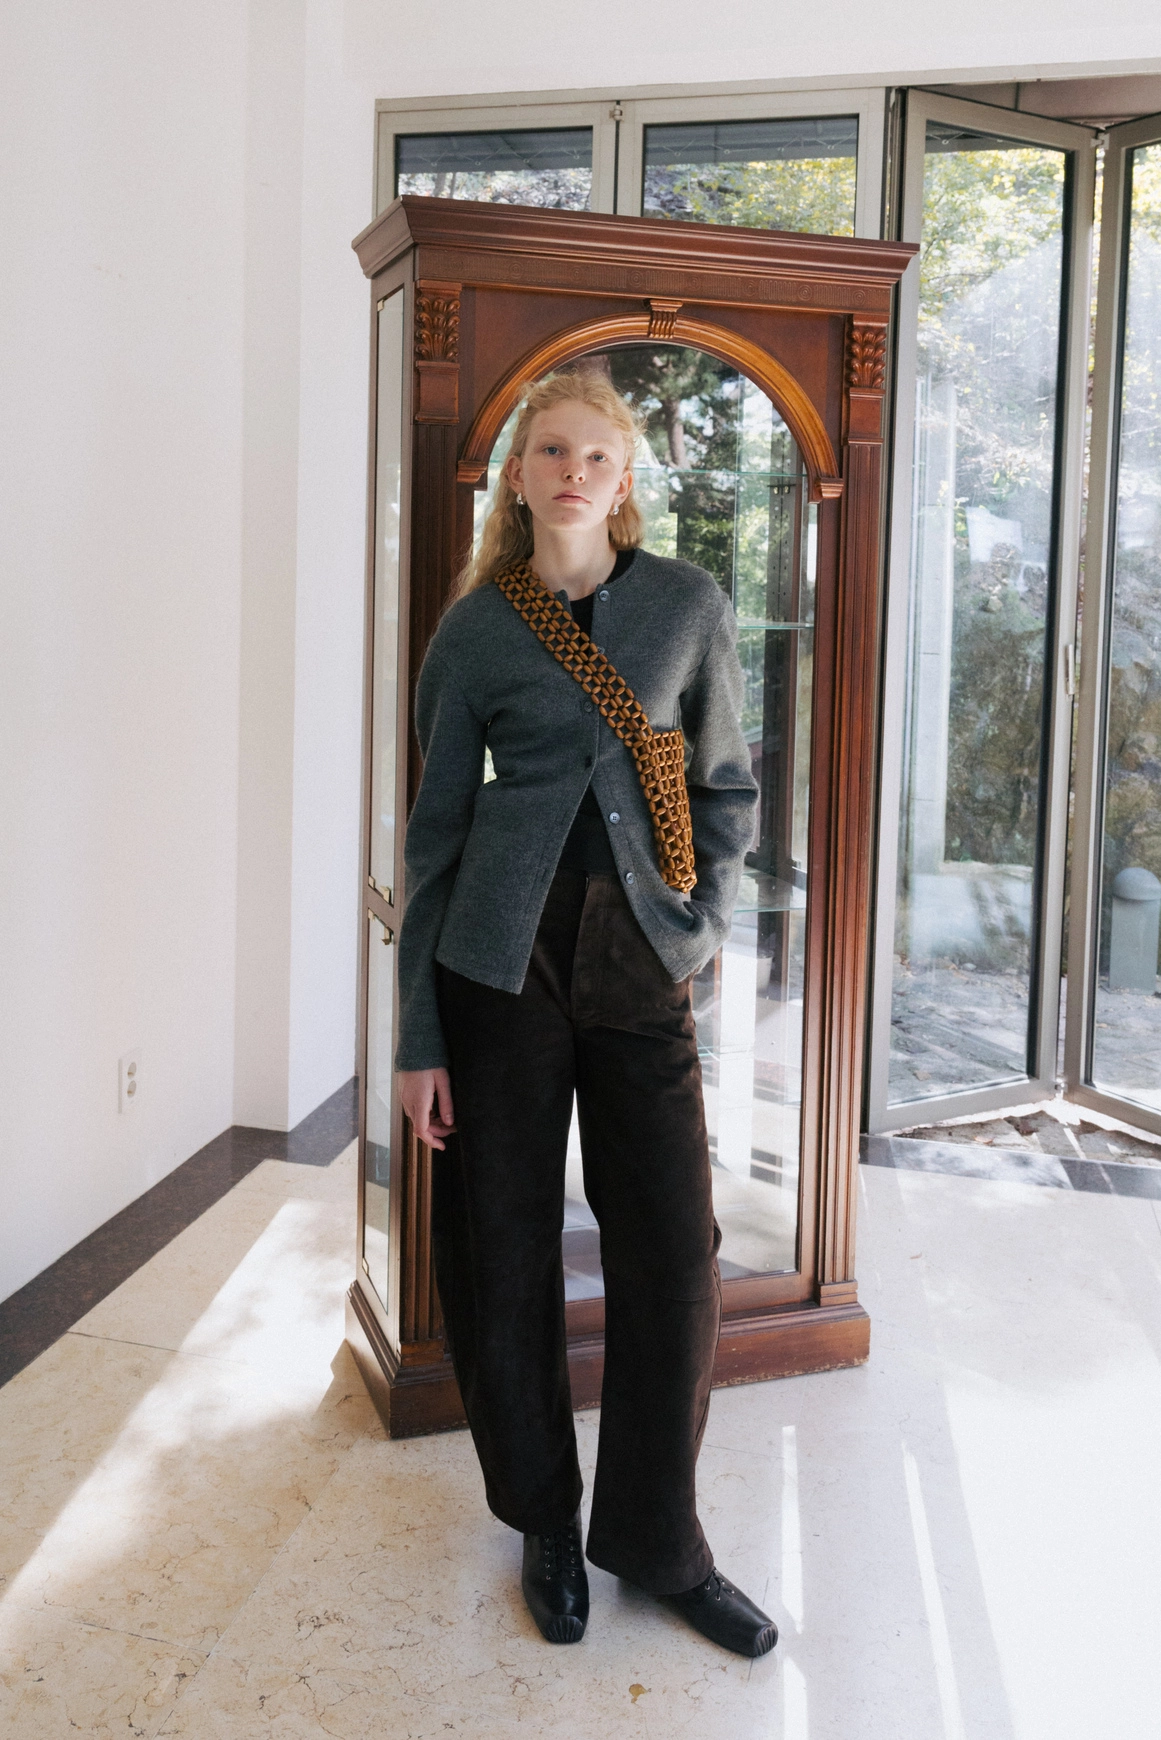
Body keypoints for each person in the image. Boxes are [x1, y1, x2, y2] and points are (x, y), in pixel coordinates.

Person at [394, 368, 777, 1658]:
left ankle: (660, 1541)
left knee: (671, 1246)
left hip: (639, 960)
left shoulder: (687, 604)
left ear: (625, 479)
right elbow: (434, 842)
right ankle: (546, 1523)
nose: (574, 473)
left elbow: (725, 787)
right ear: (518, 475)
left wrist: (700, 927)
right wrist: (418, 1038)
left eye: (596, 456)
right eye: (551, 452)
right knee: (501, 1248)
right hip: (497, 967)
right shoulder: (474, 632)